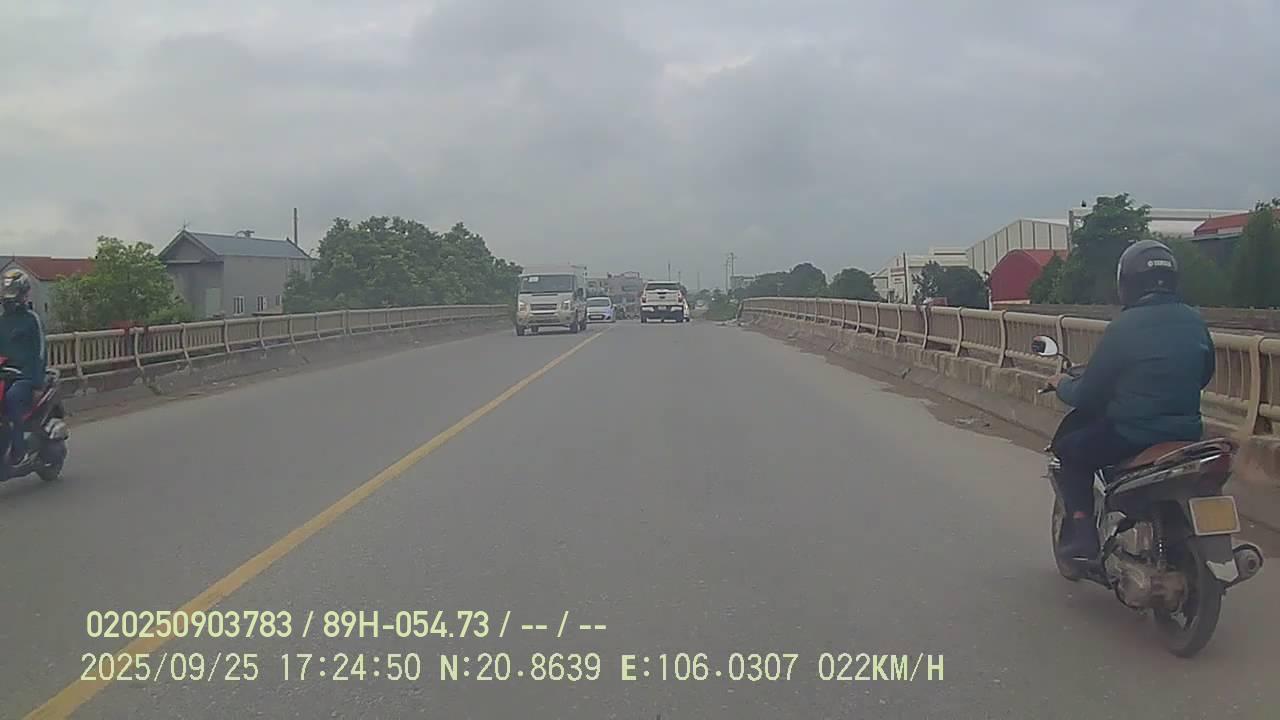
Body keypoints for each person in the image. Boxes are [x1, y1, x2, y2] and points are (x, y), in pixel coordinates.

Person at [1047, 239, 1215, 560]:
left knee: (1071, 451)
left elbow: (1088, 394)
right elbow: (1204, 374)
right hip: (1187, 434)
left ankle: (1083, 533)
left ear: (1127, 283)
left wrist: (1061, 385)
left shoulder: (1123, 327)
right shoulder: (1195, 320)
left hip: (1133, 434)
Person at [0, 268, 46, 473]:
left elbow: (40, 353)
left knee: (11, 398)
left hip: (25, 376)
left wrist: (37, 384)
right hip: (4, 374)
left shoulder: (32, 319)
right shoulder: (2, 321)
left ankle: (19, 451)